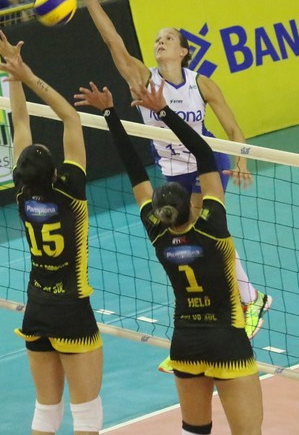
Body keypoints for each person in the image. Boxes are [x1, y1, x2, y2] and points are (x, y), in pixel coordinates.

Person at [66, 0, 272, 355]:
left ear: (184, 50)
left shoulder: (202, 84)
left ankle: (249, 299)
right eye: (157, 39)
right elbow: (114, 44)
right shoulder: (144, 80)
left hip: (207, 162)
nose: (160, 43)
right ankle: (240, 297)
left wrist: (242, 159)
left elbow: (234, 131)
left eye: (168, 39)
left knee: (206, 227)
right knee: (192, 234)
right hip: (172, 170)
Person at [104, 79, 264, 435]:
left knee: (193, 431)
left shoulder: (158, 233)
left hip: (186, 342)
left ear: (160, 212)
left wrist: (110, 115)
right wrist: (163, 111)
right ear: (192, 207)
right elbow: (204, 154)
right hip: (227, 340)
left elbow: (134, 170)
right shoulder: (212, 228)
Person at [0, 30, 103, 435]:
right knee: (86, 415)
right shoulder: (71, 191)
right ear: (55, 171)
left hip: (36, 307)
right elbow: (70, 116)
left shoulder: (23, 194)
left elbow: (20, 120)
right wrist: (26, 73)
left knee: (46, 411)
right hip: (72, 307)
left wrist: (12, 77)